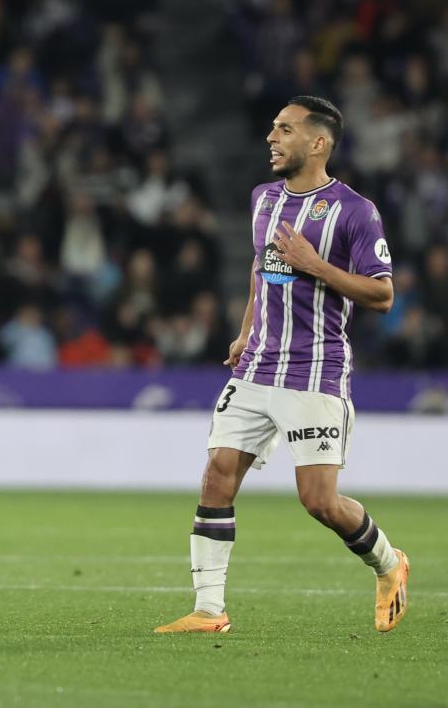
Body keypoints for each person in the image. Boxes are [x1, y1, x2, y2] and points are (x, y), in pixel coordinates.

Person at [155, 96, 410, 635]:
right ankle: (209, 610)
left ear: (318, 143)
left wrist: (315, 265)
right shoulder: (263, 198)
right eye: (272, 128)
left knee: (318, 501)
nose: (272, 137)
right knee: (217, 475)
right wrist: (247, 331)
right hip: (257, 368)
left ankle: (389, 563)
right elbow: (262, 268)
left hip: (315, 371)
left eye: (286, 130)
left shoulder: (355, 211)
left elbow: (383, 294)